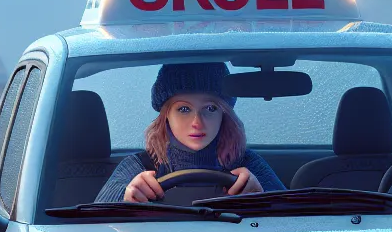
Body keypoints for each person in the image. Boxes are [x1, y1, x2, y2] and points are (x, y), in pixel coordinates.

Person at [96, 63, 282, 203]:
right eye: (184, 109)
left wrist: (263, 198)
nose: (196, 122)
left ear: (223, 115)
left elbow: (291, 221)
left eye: (210, 108)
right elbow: (95, 226)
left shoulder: (247, 163)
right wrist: (126, 197)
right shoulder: (139, 167)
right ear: (166, 114)